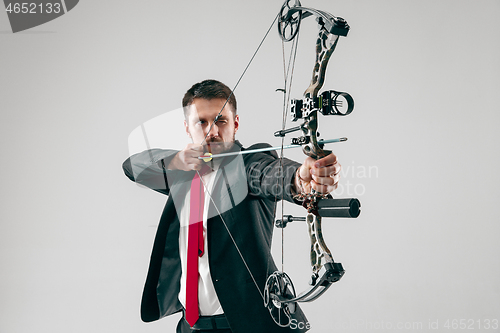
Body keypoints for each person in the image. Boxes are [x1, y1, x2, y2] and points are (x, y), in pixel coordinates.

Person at [122, 79, 341, 333]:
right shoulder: (181, 173)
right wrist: (175, 160)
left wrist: (301, 179)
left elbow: (271, 174)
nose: (211, 131)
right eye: (201, 122)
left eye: (220, 120)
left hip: (245, 325)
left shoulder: (246, 166)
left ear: (235, 124)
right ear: (187, 128)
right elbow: (132, 166)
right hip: (191, 326)